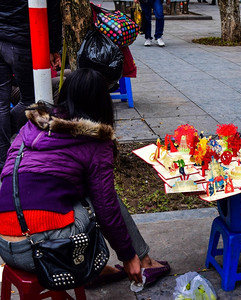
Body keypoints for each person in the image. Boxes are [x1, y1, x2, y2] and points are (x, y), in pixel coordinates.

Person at [0, 68, 170, 288]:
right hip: (43, 252)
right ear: (102, 103)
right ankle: (134, 262)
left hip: (4, 243)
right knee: (100, 197)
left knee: (84, 193)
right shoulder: (96, 142)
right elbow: (106, 207)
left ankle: (101, 268)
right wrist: (128, 256)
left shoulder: (32, 126)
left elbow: (8, 172)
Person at [0, 0, 62, 173]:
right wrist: (54, 46)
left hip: (8, 37)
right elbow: (52, 12)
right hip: (21, 42)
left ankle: (2, 155)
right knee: (32, 99)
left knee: (2, 105)